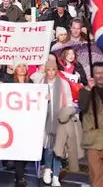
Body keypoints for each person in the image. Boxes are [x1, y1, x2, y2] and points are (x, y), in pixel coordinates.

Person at [37, 57, 74, 186]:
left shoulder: (64, 83)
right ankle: (47, 170)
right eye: (49, 70)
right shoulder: (41, 84)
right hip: (46, 120)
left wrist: (67, 114)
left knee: (59, 149)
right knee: (48, 148)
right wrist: (43, 99)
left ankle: (56, 176)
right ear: (46, 71)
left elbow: (69, 101)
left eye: (54, 70)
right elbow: (35, 101)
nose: (51, 72)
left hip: (60, 120)